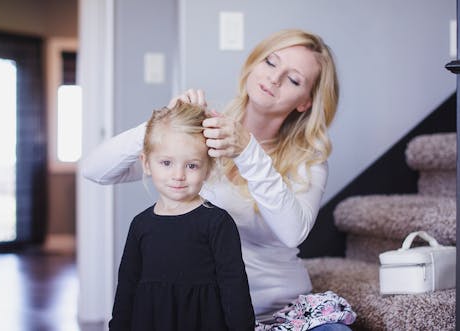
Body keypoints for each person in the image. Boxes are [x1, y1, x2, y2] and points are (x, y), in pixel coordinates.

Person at [82, 29, 354, 330]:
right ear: (253, 64)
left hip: (282, 311)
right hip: (208, 315)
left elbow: (293, 232)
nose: (274, 78)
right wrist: (163, 123)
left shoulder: (309, 158)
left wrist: (247, 150)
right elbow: (95, 169)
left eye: (293, 79)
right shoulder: (202, 134)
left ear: (305, 102)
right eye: (271, 62)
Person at [108, 101, 255, 331]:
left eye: (192, 166)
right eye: (166, 163)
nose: (178, 175)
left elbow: (234, 288)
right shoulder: (140, 225)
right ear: (147, 164)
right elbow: (127, 287)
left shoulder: (218, 223)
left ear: (207, 169)